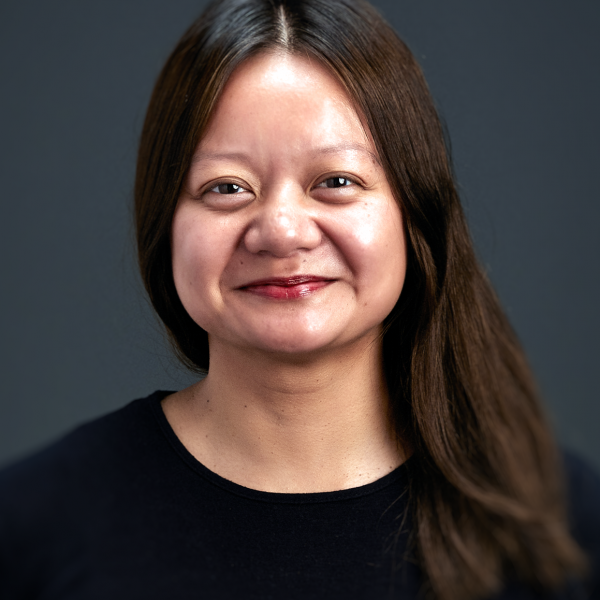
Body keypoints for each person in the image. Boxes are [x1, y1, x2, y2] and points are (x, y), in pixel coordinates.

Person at [1, 0, 599, 598]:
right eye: (227, 188)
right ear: (165, 227)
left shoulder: (558, 523)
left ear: (413, 214)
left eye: (336, 181)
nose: (282, 230)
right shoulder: (34, 523)